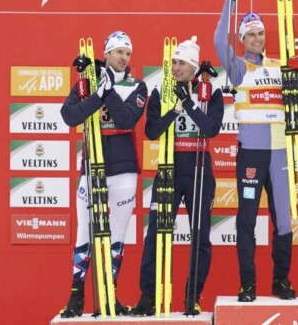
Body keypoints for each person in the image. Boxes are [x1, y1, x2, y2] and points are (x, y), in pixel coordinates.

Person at [214, 0, 298, 301]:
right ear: (242, 40)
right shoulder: (239, 68)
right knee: (247, 218)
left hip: (280, 152)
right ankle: (248, 283)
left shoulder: (277, 66)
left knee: (283, 216)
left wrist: (296, 75)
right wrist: (229, 0)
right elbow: (217, 40)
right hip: (252, 152)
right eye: (251, 34)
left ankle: (281, 281)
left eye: (261, 33)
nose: (257, 38)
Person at [131, 37, 223, 315]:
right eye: (173, 62)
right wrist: (175, 110)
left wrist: (191, 104)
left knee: (200, 236)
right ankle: (148, 297)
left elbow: (211, 129)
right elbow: (151, 131)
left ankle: (192, 297)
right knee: (156, 236)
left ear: (194, 66)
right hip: (169, 168)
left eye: (181, 62)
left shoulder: (209, 90)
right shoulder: (161, 90)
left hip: (199, 169)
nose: (176, 67)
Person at [59, 31, 147, 317]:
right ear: (106, 54)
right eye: (119, 52)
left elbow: (127, 118)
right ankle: (76, 296)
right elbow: (70, 117)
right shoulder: (87, 82)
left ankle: (110, 296)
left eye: (128, 53)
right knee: (85, 231)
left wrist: (106, 92)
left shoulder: (138, 85)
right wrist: (96, 93)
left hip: (124, 170)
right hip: (92, 166)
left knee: (117, 235)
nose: (124, 58)